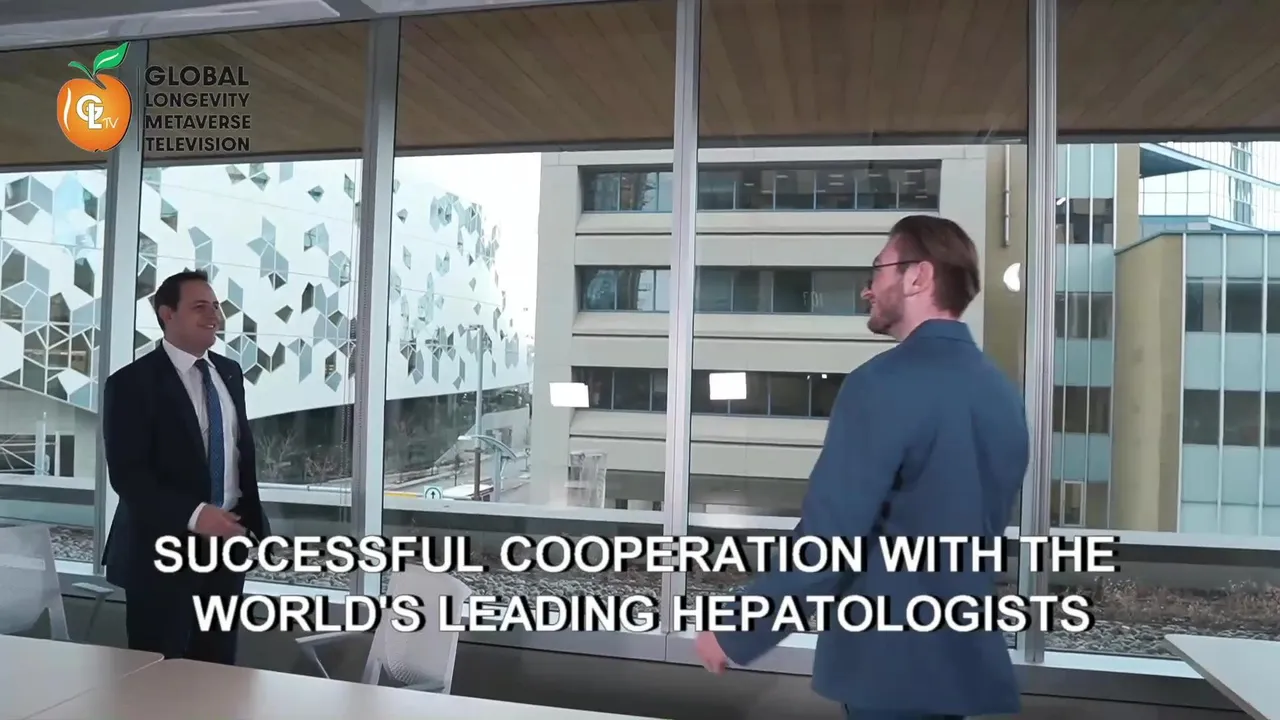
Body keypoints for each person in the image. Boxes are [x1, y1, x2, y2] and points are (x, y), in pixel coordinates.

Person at [694, 215, 1030, 720]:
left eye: (878, 270)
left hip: (888, 669)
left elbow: (829, 540)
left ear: (918, 277)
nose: (867, 289)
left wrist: (738, 629)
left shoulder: (880, 385)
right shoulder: (1001, 392)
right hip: (959, 664)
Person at [102, 269, 270, 664]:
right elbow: (128, 475)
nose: (214, 315)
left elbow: (238, 455)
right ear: (167, 314)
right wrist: (195, 515)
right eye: (199, 307)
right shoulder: (131, 383)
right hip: (160, 551)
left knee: (217, 668)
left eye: (216, 306)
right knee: (158, 672)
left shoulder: (230, 372)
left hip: (226, 546)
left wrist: (248, 524)